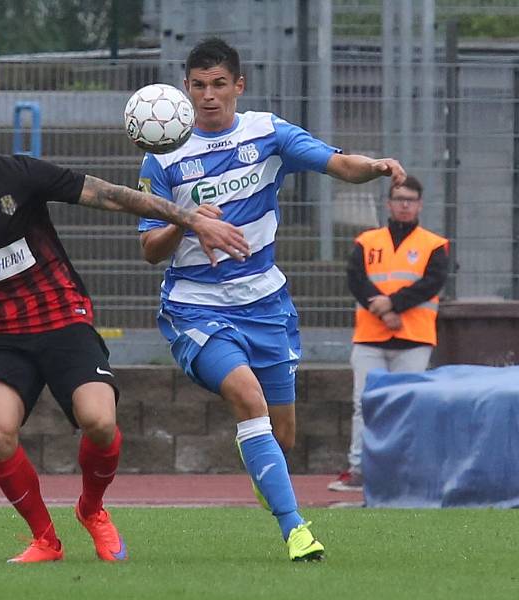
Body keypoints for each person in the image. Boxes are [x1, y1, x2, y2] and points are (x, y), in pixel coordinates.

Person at [0, 90, 250, 564]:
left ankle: (92, 509)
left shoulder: (19, 173)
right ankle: (45, 539)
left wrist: (189, 219)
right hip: (1, 336)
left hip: (63, 319)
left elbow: (109, 195)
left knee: (101, 421)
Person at [136, 38, 407, 561]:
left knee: (282, 436)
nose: (208, 96)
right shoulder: (163, 155)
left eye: (219, 84)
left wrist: (373, 166)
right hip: (197, 306)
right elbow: (150, 248)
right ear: (185, 89)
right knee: (248, 398)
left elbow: (336, 163)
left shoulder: (268, 132)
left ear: (239, 85)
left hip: (265, 303)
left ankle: (269, 476)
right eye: (198, 86)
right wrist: (186, 222)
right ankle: (296, 529)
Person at [328, 175, 449, 492]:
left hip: (413, 339)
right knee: (364, 405)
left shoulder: (433, 245)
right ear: (388, 203)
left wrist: (393, 305)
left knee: (409, 405)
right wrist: (383, 310)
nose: (404, 205)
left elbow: (431, 283)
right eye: (399, 199)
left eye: (410, 199)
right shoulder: (367, 241)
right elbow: (356, 280)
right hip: (370, 337)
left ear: (420, 204)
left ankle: (406, 472)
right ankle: (359, 469)